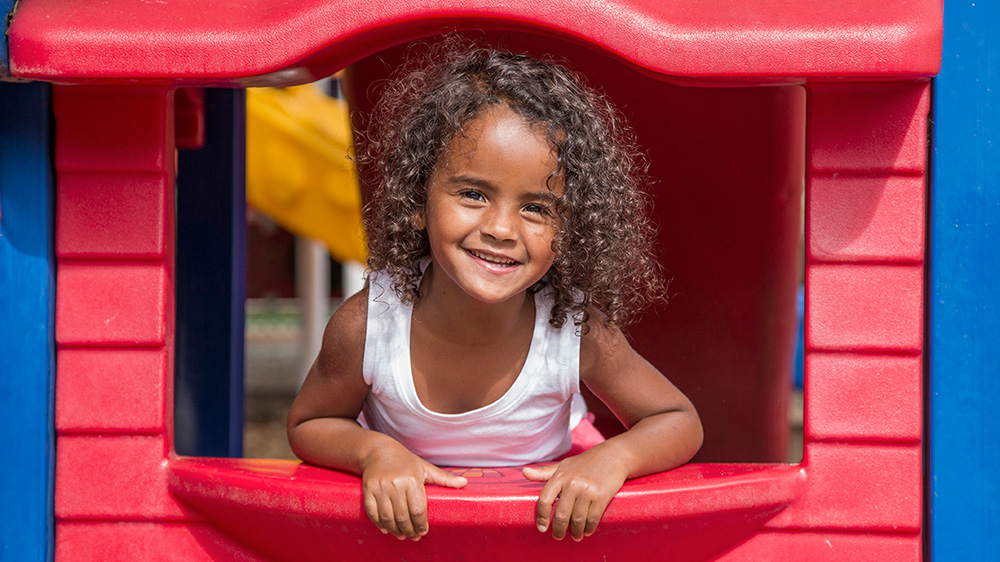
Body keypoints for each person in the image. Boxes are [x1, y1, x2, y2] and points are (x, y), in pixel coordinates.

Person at [287, 43, 703, 543]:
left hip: (539, 531)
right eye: (473, 194)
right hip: (413, 535)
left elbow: (676, 420)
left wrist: (612, 458)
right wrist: (373, 452)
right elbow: (311, 423)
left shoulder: (572, 329)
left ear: (570, 227)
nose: (502, 229)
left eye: (537, 208)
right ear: (419, 199)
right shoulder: (368, 326)